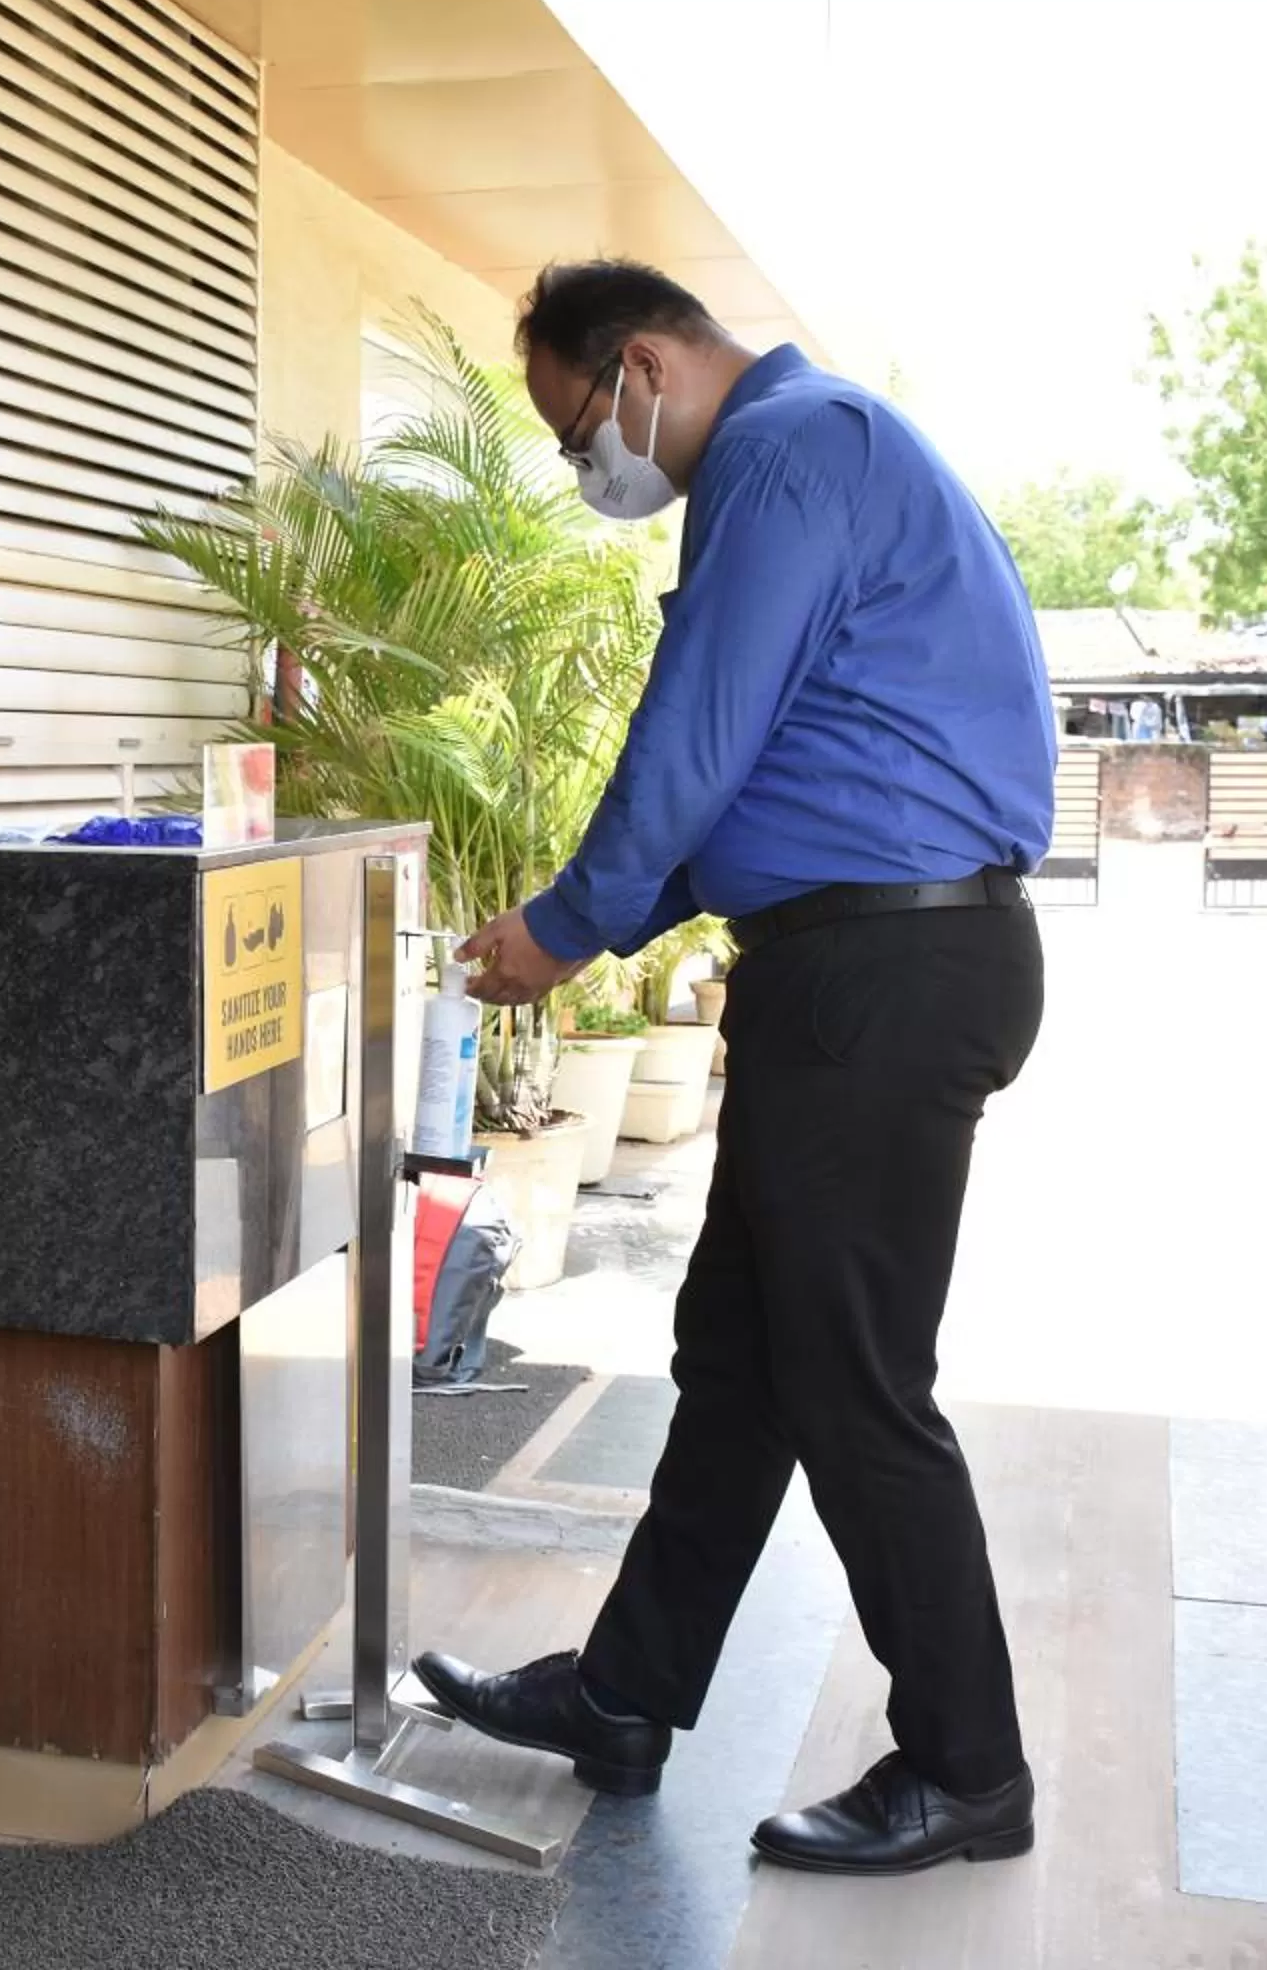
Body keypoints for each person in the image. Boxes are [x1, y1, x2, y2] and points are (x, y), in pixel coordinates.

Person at [416, 261, 1056, 1875]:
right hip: (866, 964)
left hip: (881, 974)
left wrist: (568, 926)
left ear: (640, 363)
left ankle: (971, 1770)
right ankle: (625, 1697)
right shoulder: (821, 450)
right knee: (746, 1359)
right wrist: (604, 913)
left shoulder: (787, 448)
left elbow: (698, 731)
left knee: (850, 1380)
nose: (591, 469)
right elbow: (777, 763)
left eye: (580, 429)